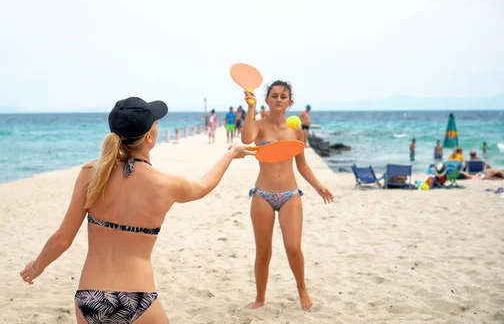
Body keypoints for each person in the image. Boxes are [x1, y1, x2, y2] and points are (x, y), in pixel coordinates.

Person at [19, 97, 254, 324]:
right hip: (138, 298)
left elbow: (62, 239)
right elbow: (203, 186)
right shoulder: (166, 184)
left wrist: (36, 266)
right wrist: (230, 155)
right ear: (150, 137)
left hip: (89, 298)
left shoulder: (90, 173)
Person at [241, 81, 334, 311]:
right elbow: (245, 138)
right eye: (274, 95)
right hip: (262, 194)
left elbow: (302, 165)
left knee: (293, 247)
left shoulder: (296, 130)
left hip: (290, 195)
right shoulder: (259, 127)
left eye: (283, 96)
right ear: (268, 100)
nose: (279, 99)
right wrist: (251, 107)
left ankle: (302, 288)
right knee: (263, 251)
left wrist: (318, 185)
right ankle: (260, 298)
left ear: (290, 102)